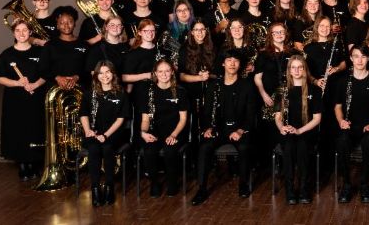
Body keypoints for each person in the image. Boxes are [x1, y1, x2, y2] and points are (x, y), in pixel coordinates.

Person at [191, 50, 256, 205]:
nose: (232, 64)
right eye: (229, 60)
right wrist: (208, 128)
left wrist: (240, 130)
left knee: (244, 147)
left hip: (239, 129)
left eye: (236, 61)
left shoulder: (247, 86)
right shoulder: (214, 85)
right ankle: (201, 189)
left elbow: (251, 114)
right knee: (204, 147)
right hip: (218, 129)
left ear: (240, 65)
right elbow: (207, 112)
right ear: (223, 63)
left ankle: (243, 184)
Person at [334, 46, 369, 203]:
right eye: (356, 56)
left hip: (368, 127)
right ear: (351, 58)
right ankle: (347, 184)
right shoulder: (343, 81)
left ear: (368, 59)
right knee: (342, 141)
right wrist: (341, 121)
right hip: (349, 126)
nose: (359, 60)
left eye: (363, 56)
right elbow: (337, 106)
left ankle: (364, 183)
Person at [0, 20, 47, 181]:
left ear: (30, 32)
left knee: (35, 128)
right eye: (18, 30)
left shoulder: (40, 52)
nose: (22, 33)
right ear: (13, 33)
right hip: (15, 100)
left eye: (25, 30)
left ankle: (34, 162)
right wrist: (17, 83)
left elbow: (46, 74)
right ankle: (23, 164)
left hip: (36, 98)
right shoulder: (6, 54)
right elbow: (0, 78)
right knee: (18, 129)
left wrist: (35, 85)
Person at [275, 55, 323, 205]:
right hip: (288, 131)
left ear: (305, 69)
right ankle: (289, 190)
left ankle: (303, 189)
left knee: (302, 147)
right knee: (289, 147)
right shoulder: (282, 90)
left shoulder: (314, 90)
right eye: (293, 67)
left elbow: (317, 119)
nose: (296, 71)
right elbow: (278, 117)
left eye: (300, 67)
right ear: (289, 70)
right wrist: (282, 128)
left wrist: (300, 131)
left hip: (307, 131)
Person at [80, 61, 129, 206]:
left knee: (107, 148)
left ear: (113, 74)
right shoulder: (89, 94)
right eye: (101, 73)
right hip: (93, 133)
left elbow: (120, 119)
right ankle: (95, 188)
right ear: (96, 75)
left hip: (114, 133)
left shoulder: (121, 94)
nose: (104, 76)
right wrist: (88, 130)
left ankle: (109, 187)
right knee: (94, 148)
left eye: (107, 72)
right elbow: (83, 114)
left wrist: (106, 135)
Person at [140, 59, 188, 197]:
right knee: (149, 151)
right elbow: (145, 119)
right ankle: (154, 183)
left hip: (175, 131)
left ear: (172, 72)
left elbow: (183, 119)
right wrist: (143, 133)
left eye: (167, 71)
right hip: (155, 132)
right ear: (155, 73)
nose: (164, 74)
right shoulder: (149, 93)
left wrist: (174, 135)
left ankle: (172, 183)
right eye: (160, 71)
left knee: (170, 150)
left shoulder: (180, 91)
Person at [39, 6, 88, 90]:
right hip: (54, 91)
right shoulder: (50, 45)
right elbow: (42, 69)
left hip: (79, 90)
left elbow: (89, 69)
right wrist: (57, 77)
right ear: (57, 25)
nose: (66, 25)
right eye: (62, 23)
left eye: (70, 22)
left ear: (74, 23)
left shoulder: (84, 45)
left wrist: (77, 77)